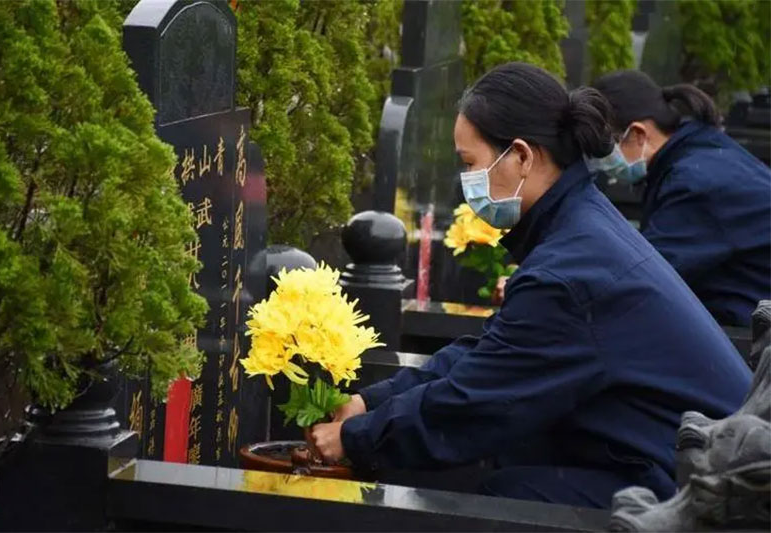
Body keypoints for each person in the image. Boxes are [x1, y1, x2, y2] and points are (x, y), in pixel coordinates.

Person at [310, 63, 752, 509]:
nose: (467, 182)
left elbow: (476, 402)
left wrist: (356, 438)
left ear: (521, 155)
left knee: (500, 497)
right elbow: (493, 353)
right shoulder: (580, 225)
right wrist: (372, 401)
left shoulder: (569, 271)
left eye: (470, 164)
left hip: (703, 496)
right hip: (684, 463)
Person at [589, 70, 770, 327]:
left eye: (603, 148)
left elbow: (639, 276)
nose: (600, 162)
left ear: (638, 134)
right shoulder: (701, 150)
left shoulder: (694, 185)